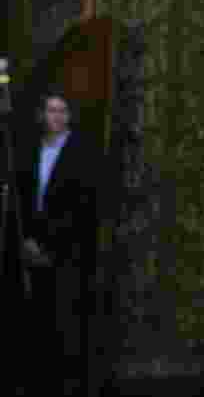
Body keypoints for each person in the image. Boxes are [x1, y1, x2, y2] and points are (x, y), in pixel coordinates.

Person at [18, 92, 98, 397]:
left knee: (65, 319)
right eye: (51, 110)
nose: (57, 117)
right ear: (42, 115)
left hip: (67, 250)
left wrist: (48, 244)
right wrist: (28, 240)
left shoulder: (82, 152)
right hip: (32, 246)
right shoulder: (32, 149)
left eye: (62, 111)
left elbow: (81, 206)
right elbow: (25, 198)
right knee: (36, 317)